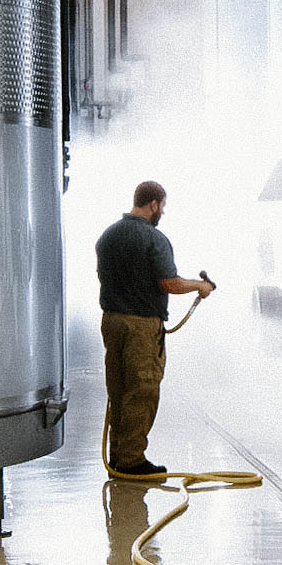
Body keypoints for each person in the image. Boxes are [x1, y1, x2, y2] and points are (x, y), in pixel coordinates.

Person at [95, 181, 215, 476]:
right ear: (153, 204)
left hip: (111, 322)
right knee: (142, 390)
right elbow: (169, 283)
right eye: (162, 206)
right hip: (141, 327)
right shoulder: (154, 239)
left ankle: (118, 455)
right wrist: (200, 286)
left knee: (119, 390)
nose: (162, 211)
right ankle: (133, 460)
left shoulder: (108, 236)